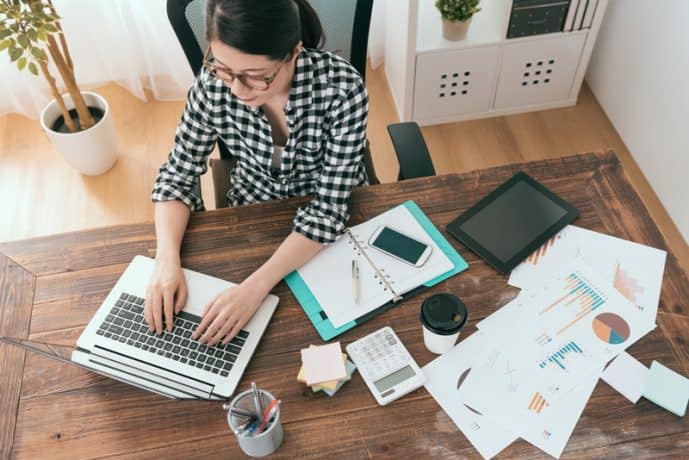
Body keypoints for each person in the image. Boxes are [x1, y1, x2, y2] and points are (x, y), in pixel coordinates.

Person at [146, 0, 369, 347]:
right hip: (254, 219)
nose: (236, 89)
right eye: (222, 68)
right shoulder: (212, 87)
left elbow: (328, 211)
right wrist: (165, 260)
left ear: (293, 52)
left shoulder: (343, 90)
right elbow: (176, 176)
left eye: (256, 76)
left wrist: (255, 288)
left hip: (326, 238)